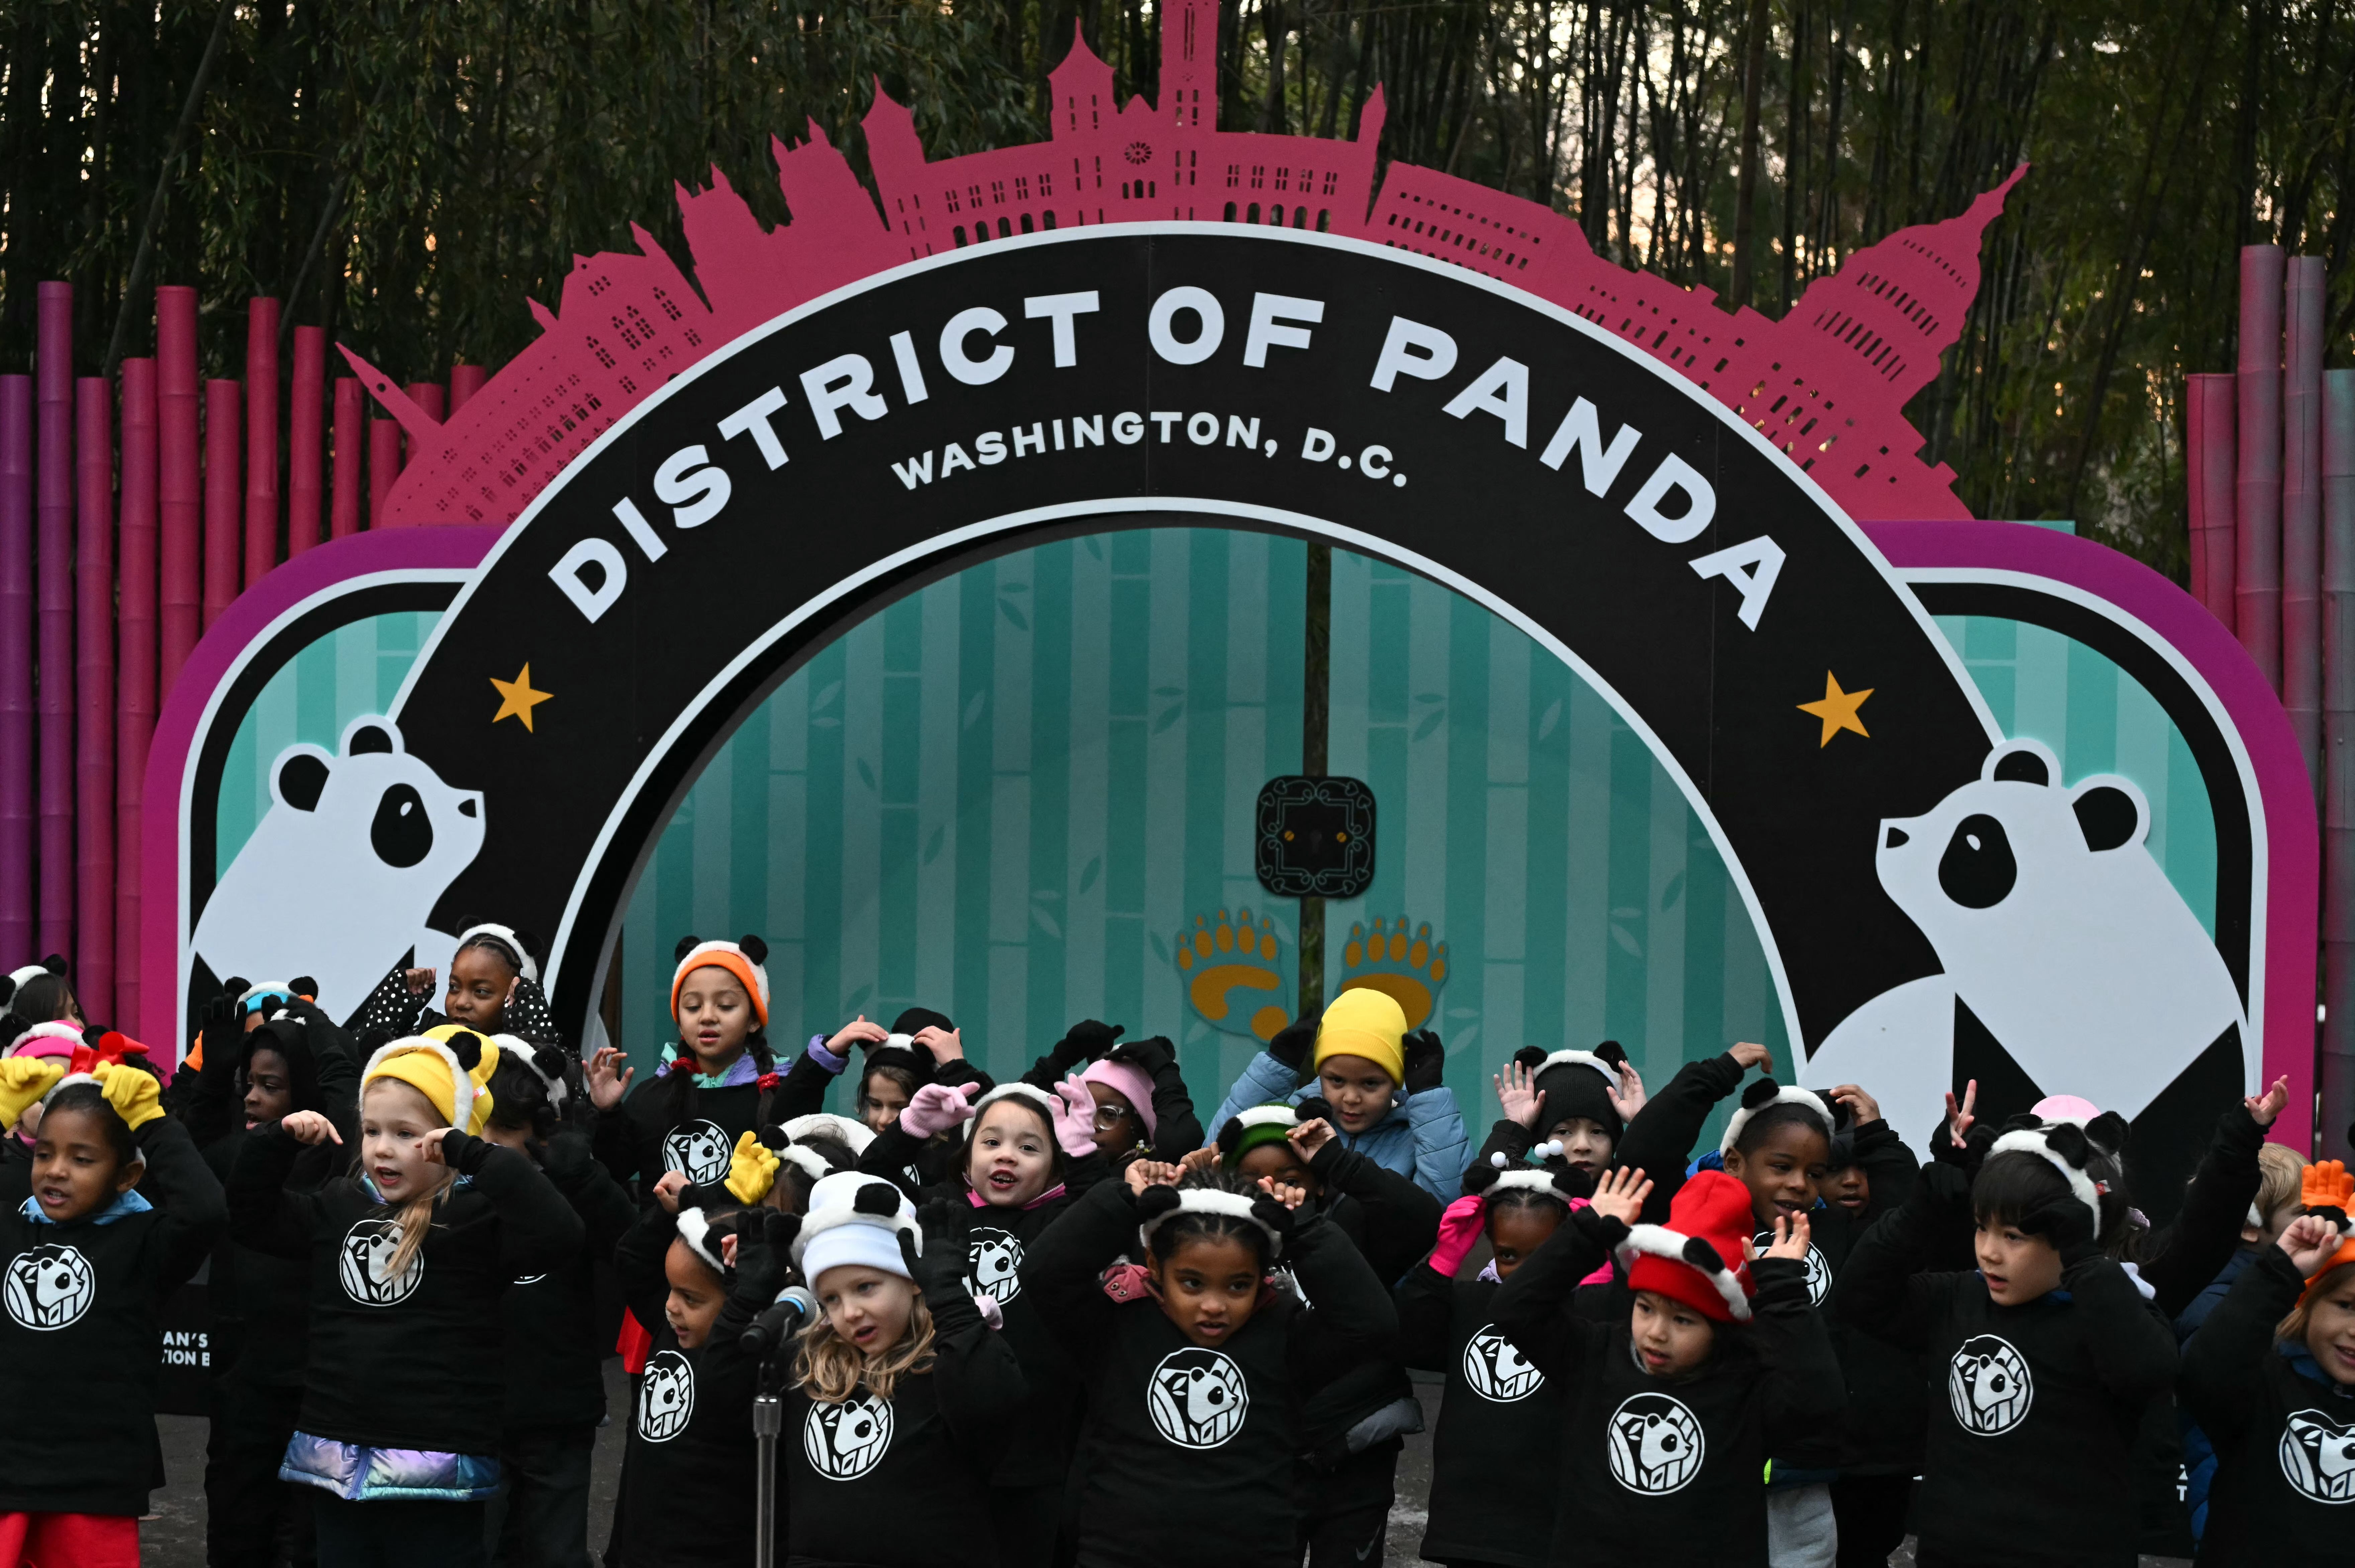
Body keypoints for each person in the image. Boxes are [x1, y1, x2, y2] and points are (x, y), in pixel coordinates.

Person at [230, 1030, 584, 1567]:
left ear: (445, 1137)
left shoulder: (472, 1220)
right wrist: (276, 1142)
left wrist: (476, 1155)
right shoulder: (338, 1205)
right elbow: (250, 1217)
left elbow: (561, 1234)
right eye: (371, 1131)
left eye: (405, 1133)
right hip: (339, 1460)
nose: (382, 1148)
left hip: (438, 1468)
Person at [1021, 1159, 1398, 1568]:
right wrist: (1123, 1199)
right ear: (1153, 1263)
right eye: (1192, 1283)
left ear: (1263, 1273)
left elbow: (1372, 1325)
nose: (1214, 1305)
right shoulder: (1115, 1325)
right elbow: (1045, 1274)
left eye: (1238, 1285)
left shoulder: (1284, 1331)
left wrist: (1305, 1228)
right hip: (1117, 1554)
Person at [1838, 1117, 2179, 1568]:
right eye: (1982, 1228)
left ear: (2073, 1231)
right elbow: (1860, 1298)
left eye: (2014, 1236)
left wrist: (2086, 1264)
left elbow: (2146, 1373)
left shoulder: (2113, 1313)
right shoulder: (1959, 1297)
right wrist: (1916, 1212)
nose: (1989, 1252)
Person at [1490, 1166, 1842, 1567]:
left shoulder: (1747, 1380)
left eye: (1683, 1320)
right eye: (1645, 1308)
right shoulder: (1594, 1354)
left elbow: (1818, 1407)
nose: (1656, 1332)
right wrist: (1587, 1231)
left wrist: (1783, 1294)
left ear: (1720, 1325)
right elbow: (1514, 1308)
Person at [858, 1076, 1104, 1564]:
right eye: (991, 1142)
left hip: (1038, 1449)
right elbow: (871, 1178)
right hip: (943, 1443)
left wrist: (1082, 1149)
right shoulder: (940, 1209)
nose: (1006, 1156)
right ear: (967, 1155)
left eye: (1029, 1147)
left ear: (1055, 1165)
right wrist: (913, 1128)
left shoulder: (1061, 1219)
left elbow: (1105, 1210)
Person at [0, 1043, 226, 1567]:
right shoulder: (12, 1220)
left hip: (94, 1483)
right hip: (5, 1473)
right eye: (44, 1153)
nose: (57, 1170)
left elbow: (207, 1212)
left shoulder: (143, 1241)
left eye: (82, 1159)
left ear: (126, 1176)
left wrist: (153, 1122)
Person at [176, 995, 361, 1568]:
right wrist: (212, 1078)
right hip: (245, 1384)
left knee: (305, 1539)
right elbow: (192, 1153)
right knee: (238, 1527)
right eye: (248, 1083)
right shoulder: (238, 1158)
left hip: (315, 1392)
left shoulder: (339, 1172)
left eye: (272, 1085)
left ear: (304, 1093)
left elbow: (347, 1118)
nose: (253, 1096)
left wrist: (326, 1039)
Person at [1211, 1102, 1441, 1563]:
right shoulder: (1218, 1247)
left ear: (1317, 1181)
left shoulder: (1350, 1225)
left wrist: (1338, 1160)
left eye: (1290, 1179)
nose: (1272, 1191)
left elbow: (1421, 1217)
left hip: (1356, 1447)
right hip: (1264, 1461)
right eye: (1253, 1180)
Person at [783, 1172, 1029, 1567]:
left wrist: (949, 1296)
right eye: (831, 1298)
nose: (850, 1311)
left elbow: (995, 1405)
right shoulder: (807, 1366)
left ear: (913, 1278)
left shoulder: (950, 1357)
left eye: (866, 1286)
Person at [480, 1036, 635, 1568]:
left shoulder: (568, 1191)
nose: (491, 1150)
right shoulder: (457, 1198)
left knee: (555, 1550)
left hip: (559, 1410)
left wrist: (584, 1173)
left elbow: (626, 1244)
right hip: (478, 1412)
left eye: (506, 1135)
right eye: (480, 1133)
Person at [1395, 1163, 1577, 1568]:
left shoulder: (1582, 1312)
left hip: (1551, 1524)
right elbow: (1409, 1338)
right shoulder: (1469, 1301)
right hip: (1468, 1522)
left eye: (1544, 1254)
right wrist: (1444, 1259)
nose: (1527, 1273)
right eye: (1508, 1254)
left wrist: (1595, 1260)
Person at [2178, 1162, 2355, 1563]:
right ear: (2308, 1305)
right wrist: (2279, 1272)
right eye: (2345, 1306)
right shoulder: (2263, 1382)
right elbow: (2206, 1371)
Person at [608, 1187, 788, 1567]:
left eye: (691, 1298)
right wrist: (669, 1213)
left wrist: (748, 1295)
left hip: (711, 1550)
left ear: (741, 1300)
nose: (672, 1306)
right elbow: (631, 1259)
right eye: (672, 1289)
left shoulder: (752, 1359)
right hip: (641, 1544)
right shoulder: (669, 1330)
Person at [1206, 989, 1470, 1201]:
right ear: (1321, 1075)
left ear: (1395, 1082)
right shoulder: (1294, 1120)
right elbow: (1216, 1153)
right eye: (1337, 1080)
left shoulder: (1416, 1136)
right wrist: (1273, 1072)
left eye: (1370, 1083)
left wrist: (1428, 1097)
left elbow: (1447, 1200)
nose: (1351, 1098)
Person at [2174, 1138, 2310, 1543]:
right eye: (2302, 1213)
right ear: (2250, 1226)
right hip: (2226, 1497)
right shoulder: (2221, 1306)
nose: (2315, 1222)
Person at [588, 935, 786, 1195]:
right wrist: (608, 1112)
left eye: (725, 1006)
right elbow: (613, 1173)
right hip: (660, 1237)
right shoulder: (650, 1097)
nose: (707, 1017)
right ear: (680, 1021)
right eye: (693, 1007)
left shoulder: (777, 1094)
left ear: (754, 1019)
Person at [1020, 1021, 1204, 1163]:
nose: (1090, 1126)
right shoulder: (1057, 1166)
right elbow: (1016, 1113)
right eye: (1081, 1110)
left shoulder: (1148, 1175)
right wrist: (1061, 1058)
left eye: (1108, 1114)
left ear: (1140, 1125)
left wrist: (1165, 1070)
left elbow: (1179, 1146)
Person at [348, 923, 558, 1040]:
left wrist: (530, 1029)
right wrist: (389, 1013)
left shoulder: (552, 1056)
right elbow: (354, 1073)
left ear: (516, 992)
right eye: (454, 987)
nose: (461, 1003)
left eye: (481, 992)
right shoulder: (421, 1041)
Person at [1473, 1043, 1646, 1180]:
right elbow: (1475, 1192)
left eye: (1597, 1131)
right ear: (1541, 1137)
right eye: (1564, 1132)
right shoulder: (1527, 1193)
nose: (1582, 1146)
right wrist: (1517, 1127)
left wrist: (1643, 1122)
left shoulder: (1636, 1190)